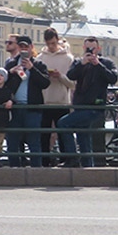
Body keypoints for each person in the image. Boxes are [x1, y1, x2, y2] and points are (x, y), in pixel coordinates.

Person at [58, 36, 118, 168]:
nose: (91, 51)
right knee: (83, 137)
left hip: (95, 107)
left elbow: (113, 78)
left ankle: (73, 159)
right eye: (88, 48)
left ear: (98, 48)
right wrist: (82, 63)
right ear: (84, 48)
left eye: (93, 48)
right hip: (80, 105)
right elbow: (70, 75)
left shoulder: (106, 62)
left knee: (63, 123)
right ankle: (87, 167)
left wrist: (98, 64)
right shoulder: (79, 62)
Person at [3, 35, 50, 168]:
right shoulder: (11, 64)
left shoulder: (39, 64)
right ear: (17, 48)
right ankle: (14, 169)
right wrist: (11, 72)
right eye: (21, 47)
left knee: (34, 141)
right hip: (15, 108)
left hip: (32, 108)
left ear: (31, 48)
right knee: (12, 141)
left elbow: (45, 83)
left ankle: (36, 170)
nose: (24, 49)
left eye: (26, 47)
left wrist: (31, 68)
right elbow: (2, 83)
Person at [38, 28, 74, 166]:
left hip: (62, 102)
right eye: (48, 44)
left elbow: (72, 84)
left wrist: (60, 77)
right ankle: (44, 161)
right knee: (44, 135)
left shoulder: (68, 58)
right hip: (45, 101)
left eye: (53, 43)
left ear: (58, 40)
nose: (51, 47)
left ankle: (65, 160)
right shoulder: (40, 58)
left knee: (63, 133)